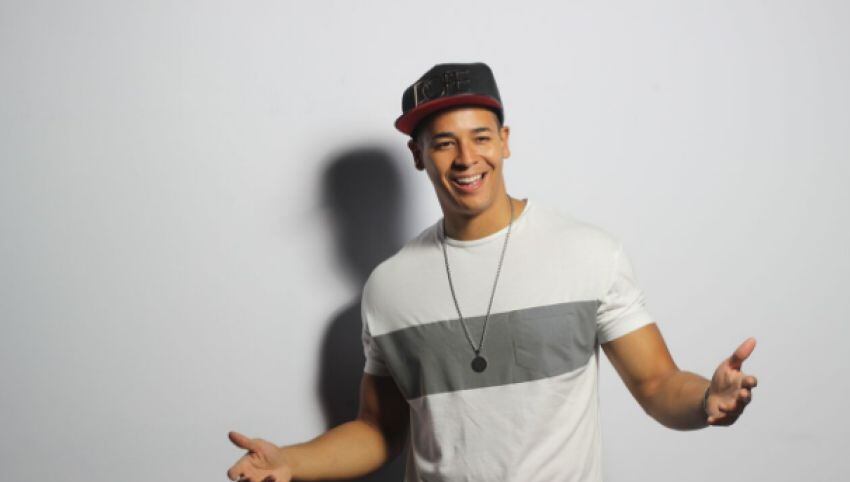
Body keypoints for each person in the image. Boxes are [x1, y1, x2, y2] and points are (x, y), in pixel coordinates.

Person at [226, 62, 759, 482]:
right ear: (418, 155)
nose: (466, 158)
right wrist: (291, 460)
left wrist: (705, 401)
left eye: (480, 137)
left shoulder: (588, 254)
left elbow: (657, 383)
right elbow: (379, 431)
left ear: (504, 141)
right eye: (444, 142)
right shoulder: (389, 288)